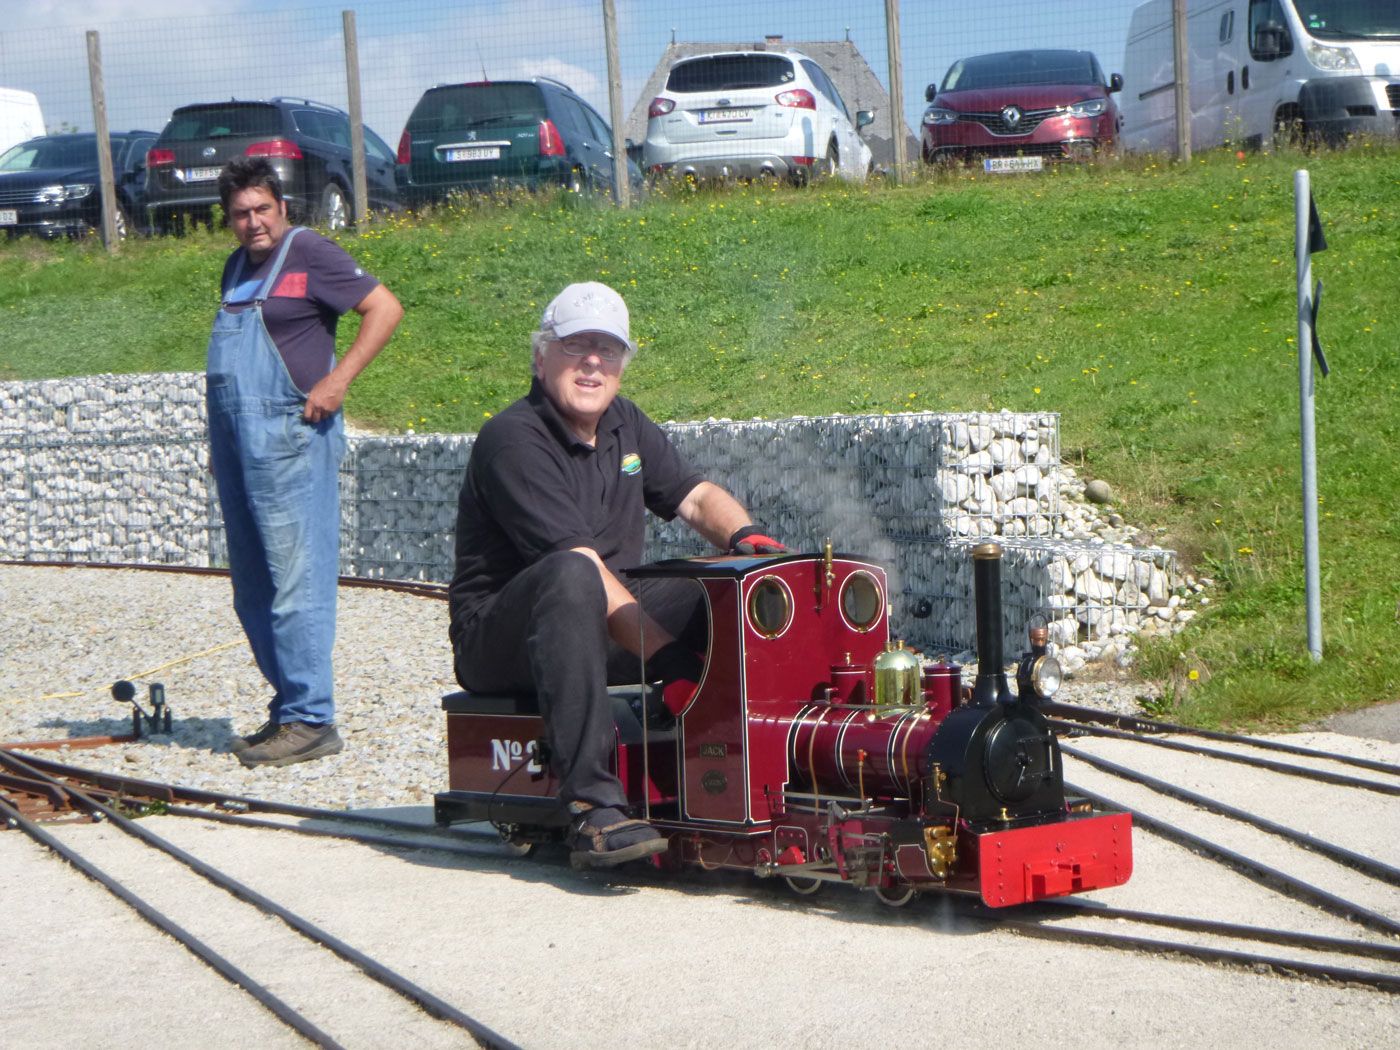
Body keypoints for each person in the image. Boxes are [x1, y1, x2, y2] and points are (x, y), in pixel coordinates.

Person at [448, 281, 784, 868]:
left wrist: (750, 547)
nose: (593, 363)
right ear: (541, 355)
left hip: (602, 615)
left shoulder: (624, 423)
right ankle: (591, 807)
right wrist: (674, 666)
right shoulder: (513, 440)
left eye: (608, 349)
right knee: (573, 575)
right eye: (577, 346)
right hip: (506, 634)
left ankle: (748, 765)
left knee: (727, 589)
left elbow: (696, 496)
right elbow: (578, 564)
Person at [210, 157, 403, 768]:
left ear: (283, 208)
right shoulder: (235, 267)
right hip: (239, 445)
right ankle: (289, 705)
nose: (253, 222)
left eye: (262, 209)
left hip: (294, 439)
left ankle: (312, 718)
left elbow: (385, 308)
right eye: (241, 213)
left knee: (297, 584)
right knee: (252, 587)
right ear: (230, 219)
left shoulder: (311, 251)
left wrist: (339, 380)